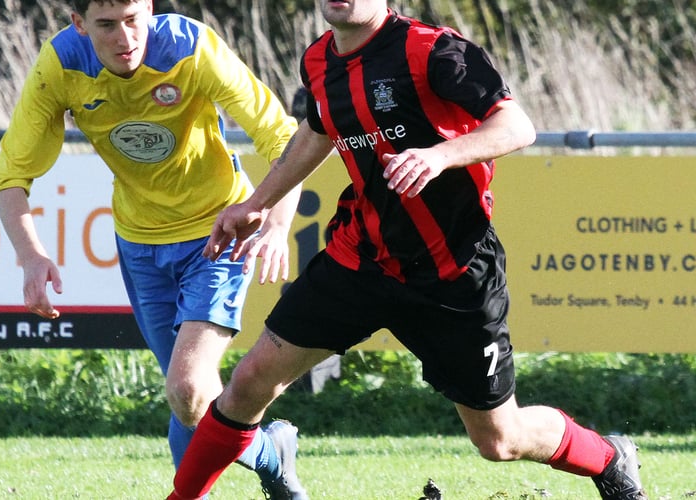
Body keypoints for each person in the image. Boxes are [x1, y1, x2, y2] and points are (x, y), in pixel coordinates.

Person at [167, 1, 648, 499]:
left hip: (451, 272)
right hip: (360, 260)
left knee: (499, 440)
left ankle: (609, 458)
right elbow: (316, 131)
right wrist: (257, 203)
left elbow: (516, 126)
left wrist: (439, 156)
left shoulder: (434, 50)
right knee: (249, 382)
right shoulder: (318, 61)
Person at [0, 1, 309, 498]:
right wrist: (30, 256)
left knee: (187, 388)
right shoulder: (62, 65)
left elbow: (283, 137)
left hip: (217, 233)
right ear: (78, 24)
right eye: (106, 25)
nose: (125, 37)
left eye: (134, 18)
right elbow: (10, 175)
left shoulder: (190, 47)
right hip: (139, 245)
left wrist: (276, 222)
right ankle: (272, 453)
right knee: (189, 399)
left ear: (151, 9)